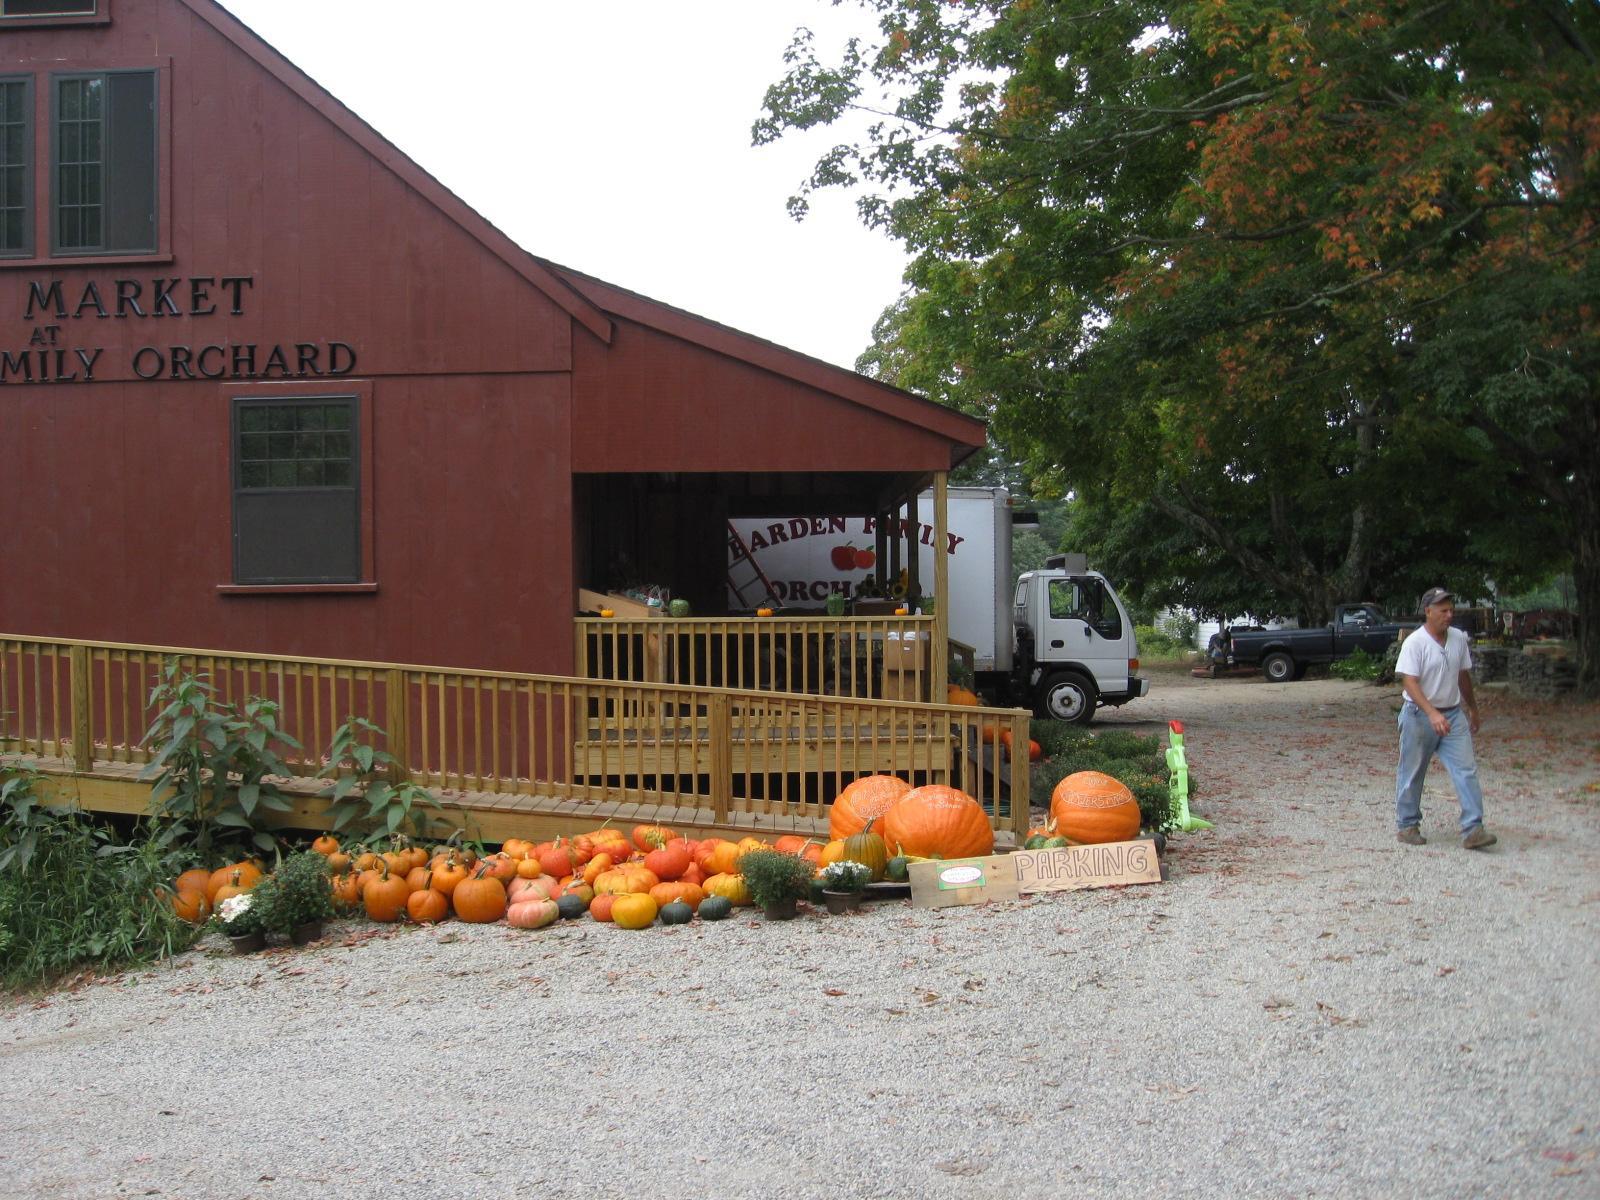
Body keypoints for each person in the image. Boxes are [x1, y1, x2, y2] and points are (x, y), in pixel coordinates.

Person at [1393, 587, 1495, 849]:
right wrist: (1431, 713)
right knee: (1412, 772)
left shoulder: (1459, 639)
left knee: (1466, 769)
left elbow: (1463, 675)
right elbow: (1410, 682)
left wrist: (1472, 707)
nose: (1449, 615)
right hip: (1418, 715)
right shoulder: (1414, 643)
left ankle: (1473, 829)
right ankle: (1407, 825)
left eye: (1451, 610)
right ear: (1428, 612)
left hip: (1452, 713)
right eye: (1443, 610)